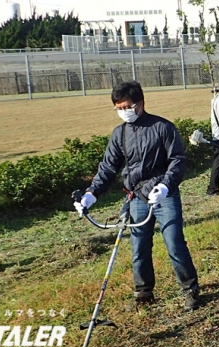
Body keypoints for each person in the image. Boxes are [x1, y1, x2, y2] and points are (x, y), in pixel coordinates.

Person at [74, 81, 202, 311]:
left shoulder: (163, 128)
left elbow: (178, 160)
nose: (124, 112)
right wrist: (90, 194)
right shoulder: (120, 134)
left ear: (141, 103)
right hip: (137, 198)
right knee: (139, 247)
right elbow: (108, 168)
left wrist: (164, 186)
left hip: (165, 195)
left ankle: (190, 288)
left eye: (127, 107)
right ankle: (144, 292)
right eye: (119, 108)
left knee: (174, 243)